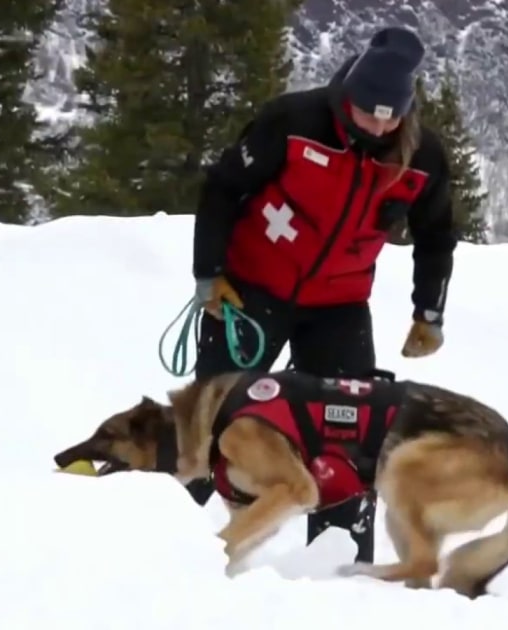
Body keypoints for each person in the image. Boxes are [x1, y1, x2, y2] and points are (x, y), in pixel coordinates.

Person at [181, 24, 458, 565]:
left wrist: (429, 311)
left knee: (347, 435)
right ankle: (168, 542)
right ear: (348, 93)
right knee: (211, 416)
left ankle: (339, 561)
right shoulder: (294, 121)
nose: (379, 124)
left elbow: (437, 236)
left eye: (391, 114)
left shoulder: (421, 157)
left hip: (338, 306)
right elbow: (222, 187)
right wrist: (208, 275)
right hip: (250, 292)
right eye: (369, 111)